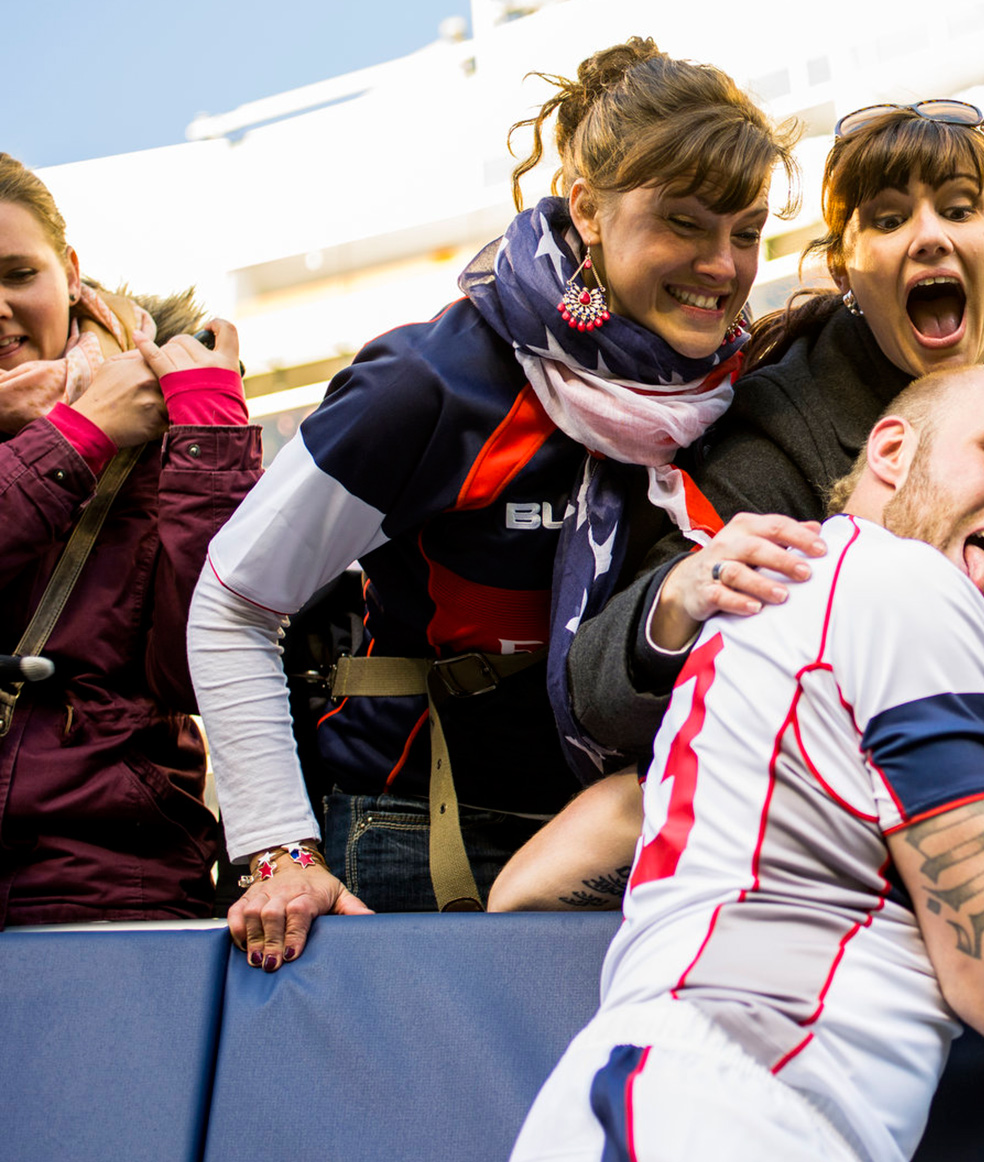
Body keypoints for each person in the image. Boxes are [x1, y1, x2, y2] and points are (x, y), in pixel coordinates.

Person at [494, 364, 984, 1162]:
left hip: (690, 1142)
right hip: (720, 1152)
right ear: (893, 452)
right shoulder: (908, 584)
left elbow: (527, 889)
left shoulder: (769, 602)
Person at [189, 39, 800, 966]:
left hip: (642, 832)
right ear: (588, 209)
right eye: (684, 223)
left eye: (747, 232)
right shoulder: (432, 383)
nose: (723, 265)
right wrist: (279, 853)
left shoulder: (734, 385)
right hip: (418, 837)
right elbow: (232, 601)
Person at [493, 99, 984, 908]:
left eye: (958, 209)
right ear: (845, 268)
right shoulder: (782, 434)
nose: (928, 235)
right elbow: (600, 685)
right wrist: (677, 598)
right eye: (887, 219)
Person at [0, 155, 257, 924]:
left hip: (106, 871)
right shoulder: (104, 419)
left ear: (70, 271)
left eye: (18, 273)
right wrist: (78, 436)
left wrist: (209, 436)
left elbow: (192, 670)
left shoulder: (159, 400)